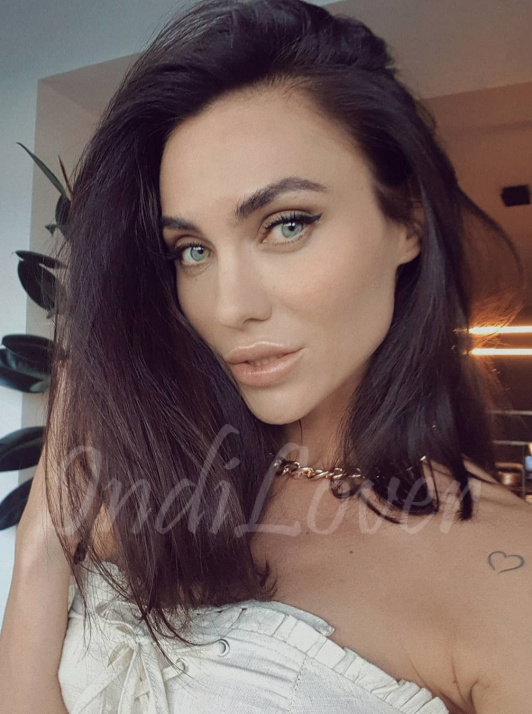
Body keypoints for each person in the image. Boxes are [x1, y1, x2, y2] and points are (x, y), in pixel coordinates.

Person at [1, 0, 531, 712]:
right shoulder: (160, 469)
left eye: (286, 224)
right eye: (192, 250)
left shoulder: (506, 580)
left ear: (407, 220)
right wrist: (42, 542)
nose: (229, 307)